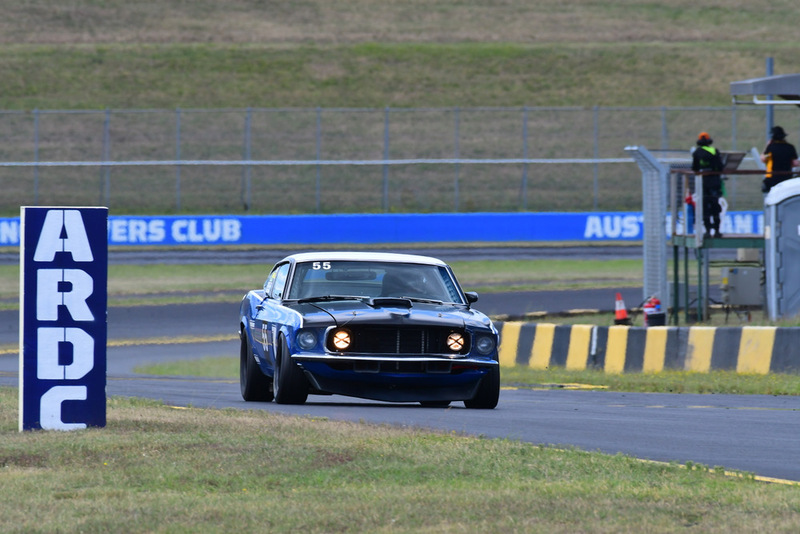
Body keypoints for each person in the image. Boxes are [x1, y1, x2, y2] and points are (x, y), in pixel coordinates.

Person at [691, 131, 724, 238]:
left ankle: (708, 231)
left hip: (703, 182)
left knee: (705, 208)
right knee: (715, 206)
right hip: (714, 181)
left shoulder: (696, 153)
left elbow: (695, 168)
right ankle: (717, 231)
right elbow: (720, 166)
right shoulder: (715, 151)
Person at [760, 126, 800, 193]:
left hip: (772, 179)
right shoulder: (790, 147)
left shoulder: (771, 147)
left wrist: (767, 145)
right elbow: (795, 163)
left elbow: (763, 158)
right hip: (787, 178)